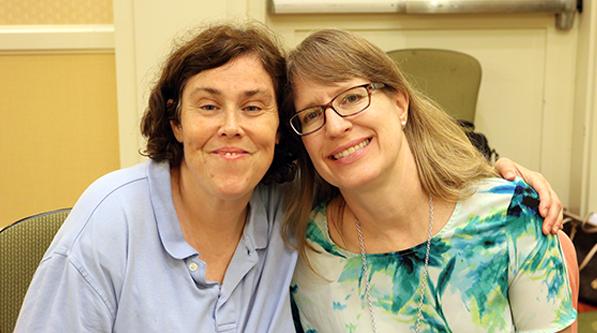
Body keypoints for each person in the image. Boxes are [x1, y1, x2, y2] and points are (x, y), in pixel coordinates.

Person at [14, 22, 565, 333]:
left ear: (280, 133)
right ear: (175, 121)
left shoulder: (287, 211)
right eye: (208, 106)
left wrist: (505, 179)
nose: (232, 128)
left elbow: (386, 168)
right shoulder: (112, 220)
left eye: (254, 107)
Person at [284, 28, 577, 332]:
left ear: (400, 104)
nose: (334, 125)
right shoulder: (303, 252)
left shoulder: (510, 217)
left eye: (352, 97)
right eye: (311, 115)